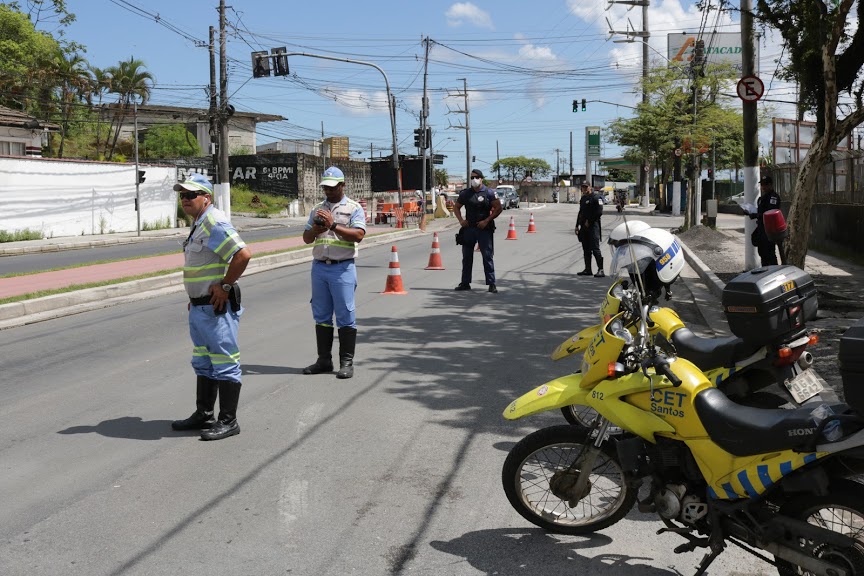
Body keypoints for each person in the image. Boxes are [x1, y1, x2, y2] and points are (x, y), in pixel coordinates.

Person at [171, 173, 252, 441]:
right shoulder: (199, 223)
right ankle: (203, 414)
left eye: (191, 195)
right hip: (200, 308)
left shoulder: (214, 222)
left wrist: (226, 285)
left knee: (224, 362)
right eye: (182, 195)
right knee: (203, 362)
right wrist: (195, 296)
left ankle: (228, 421)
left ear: (206, 198)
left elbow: (242, 255)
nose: (185, 199)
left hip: (215, 308)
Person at [302, 166, 367, 379]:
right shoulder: (317, 208)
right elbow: (306, 237)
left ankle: (346, 362)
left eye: (332, 187)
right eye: (325, 188)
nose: (328, 191)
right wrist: (315, 230)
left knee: (345, 315)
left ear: (342, 185)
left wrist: (334, 226)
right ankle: (324, 360)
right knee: (321, 315)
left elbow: (358, 235)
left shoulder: (353, 208)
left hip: (342, 268)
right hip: (320, 267)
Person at [453, 168, 503, 293]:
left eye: (476, 177)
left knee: (487, 256)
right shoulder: (465, 193)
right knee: (467, 257)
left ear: (481, 178)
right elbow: (456, 207)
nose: (474, 179)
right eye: (472, 177)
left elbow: (498, 208)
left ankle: (491, 283)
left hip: (484, 229)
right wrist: (461, 221)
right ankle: (465, 283)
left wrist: (486, 221)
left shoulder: (489, 192)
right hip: (469, 229)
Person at [749, 175, 782, 266]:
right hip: (761, 229)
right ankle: (765, 272)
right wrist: (750, 212)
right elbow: (761, 211)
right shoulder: (762, 198)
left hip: (769, 230)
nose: (763, 187)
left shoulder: (773, 197)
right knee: (762, 253)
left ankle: (774, 274)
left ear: (771, 185)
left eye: (766, 185)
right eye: (762, 185)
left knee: (769, 254)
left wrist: (756, 215)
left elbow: (770, 213)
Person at [576, 182, 605, 277]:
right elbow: (580, 212)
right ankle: (588, 269)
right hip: (584, 227)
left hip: (593, 226)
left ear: (590, 187)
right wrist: (577, 226)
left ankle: (601, 270)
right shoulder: (583, 198)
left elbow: (599, 212)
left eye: (586, 187)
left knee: (595, 248)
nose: (584, 188)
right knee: (586, 249)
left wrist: (590, 221)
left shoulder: (597, 198)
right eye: (582, 187)